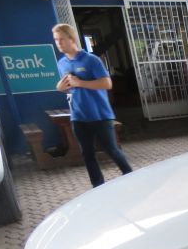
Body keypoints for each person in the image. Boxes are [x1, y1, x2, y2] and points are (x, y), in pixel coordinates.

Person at [53, 23, 133, 187]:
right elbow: (67, 87)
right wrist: (60, 88)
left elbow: (107, 84)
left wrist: (80, 82)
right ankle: (97, 186)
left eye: (61, 39)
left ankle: (131, 177)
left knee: (112, 150)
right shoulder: (62, 63)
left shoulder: (91, 60)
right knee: (87, 154)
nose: (59, 43)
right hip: (78, 116)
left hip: (100, 115)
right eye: (56, 40)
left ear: (72, 39)